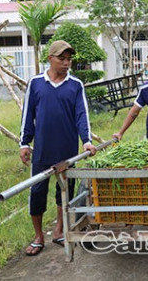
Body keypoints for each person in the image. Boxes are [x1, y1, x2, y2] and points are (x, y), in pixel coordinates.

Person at [19, 40, 97, 256]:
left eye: (69, 59)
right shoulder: (36, 83)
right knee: (37, 192)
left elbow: (82, 115)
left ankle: (59, 230)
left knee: (65, 191)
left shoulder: (75, 85)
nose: (66, 63)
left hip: (67, 150)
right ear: (50, 59)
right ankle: (38, 236)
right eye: (61, 58)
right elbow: (28, 115)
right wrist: (24, 143)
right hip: (43, 150)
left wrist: (87, 140)